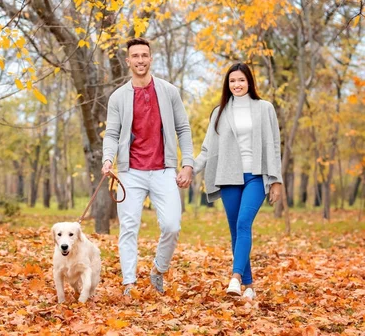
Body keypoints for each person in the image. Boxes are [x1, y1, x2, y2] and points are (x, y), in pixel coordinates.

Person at [102, 37, 194, 296]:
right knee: (128, 228)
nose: (140, 60)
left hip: (164, 169)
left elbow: (183, 129)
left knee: (172, 225)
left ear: (151, 58)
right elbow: (111, 134)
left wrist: (187, 164)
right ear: (128, 60)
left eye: (145, 55)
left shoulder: (169, 91)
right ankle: (129, 283)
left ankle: (158, 269)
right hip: (130, 172)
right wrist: (108, 159)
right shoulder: (119, 97)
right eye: (135, 56)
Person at [193, 62, 283, 300]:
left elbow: (274, 145)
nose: (237, 84)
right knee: (236, 231)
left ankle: (235, 278)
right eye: (232, 81)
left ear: (249, 82)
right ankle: (250, 286)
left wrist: (276, 180)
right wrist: (189, 169)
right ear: (228, 84)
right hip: (229, 177)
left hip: (256, 175)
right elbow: (207, 149)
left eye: (241, 80)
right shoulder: (219, 112)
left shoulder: (264, 108)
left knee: (244, 223)